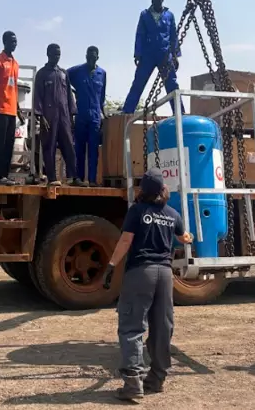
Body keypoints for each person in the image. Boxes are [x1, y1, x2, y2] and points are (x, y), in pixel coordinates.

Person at [102, 169, 194, 402]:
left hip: (141, 273)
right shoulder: (172, 214)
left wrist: (112, 264)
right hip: (164, 274)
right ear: (163, 189)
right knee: (162, 325)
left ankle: (133, 383)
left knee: (132, 325)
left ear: (142, 190)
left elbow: (126, 240)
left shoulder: (137, 211)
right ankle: (157, 378)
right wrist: (189, 237)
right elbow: (184, 237)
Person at [122, 0, 184, 114]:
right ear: (151, 0)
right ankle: (127, 110)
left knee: (171, 83)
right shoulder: (144, 15)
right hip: (148, 54)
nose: (157, 1)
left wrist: (175, 55)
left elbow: (173, 35)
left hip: (165, 53)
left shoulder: (169, 15)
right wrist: (138, 54)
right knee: (139, 82)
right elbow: (140, 34)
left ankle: (179, 112)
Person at [33, 43, 78, 186]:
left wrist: (72, 114)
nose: (56, 57)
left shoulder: (64, 73)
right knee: (49, 146)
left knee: (69, 145)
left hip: (64, 115)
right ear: (48, 54)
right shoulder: (42, 74)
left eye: (58, 54)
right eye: (54, 54)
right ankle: (52, 178)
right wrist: (40, 116)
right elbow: (37, 96)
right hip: (49, 116)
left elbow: (69, 96)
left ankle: (73, 177)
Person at [0, 30, 26, 185]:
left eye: (16, 41)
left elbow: (15, 88)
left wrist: (18, 110)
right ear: (4, 42)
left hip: (11, 110)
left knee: (9, 145)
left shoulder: (16, 64)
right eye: (11, 41)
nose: (14, 44)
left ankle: (4, 175)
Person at [67, 46, 107, 186]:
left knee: (93, 149)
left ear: (97, 57)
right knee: (79, 148)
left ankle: (92, 180)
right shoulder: (77, 71)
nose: (91, 59)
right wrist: (71, 93)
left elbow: (102, 97)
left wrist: (103, 114)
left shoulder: (102, 73)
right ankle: (78, 178)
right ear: (86, 56)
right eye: (89, 56)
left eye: (94, 56)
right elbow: (63, 76)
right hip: (81, 114)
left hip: (95, 115)